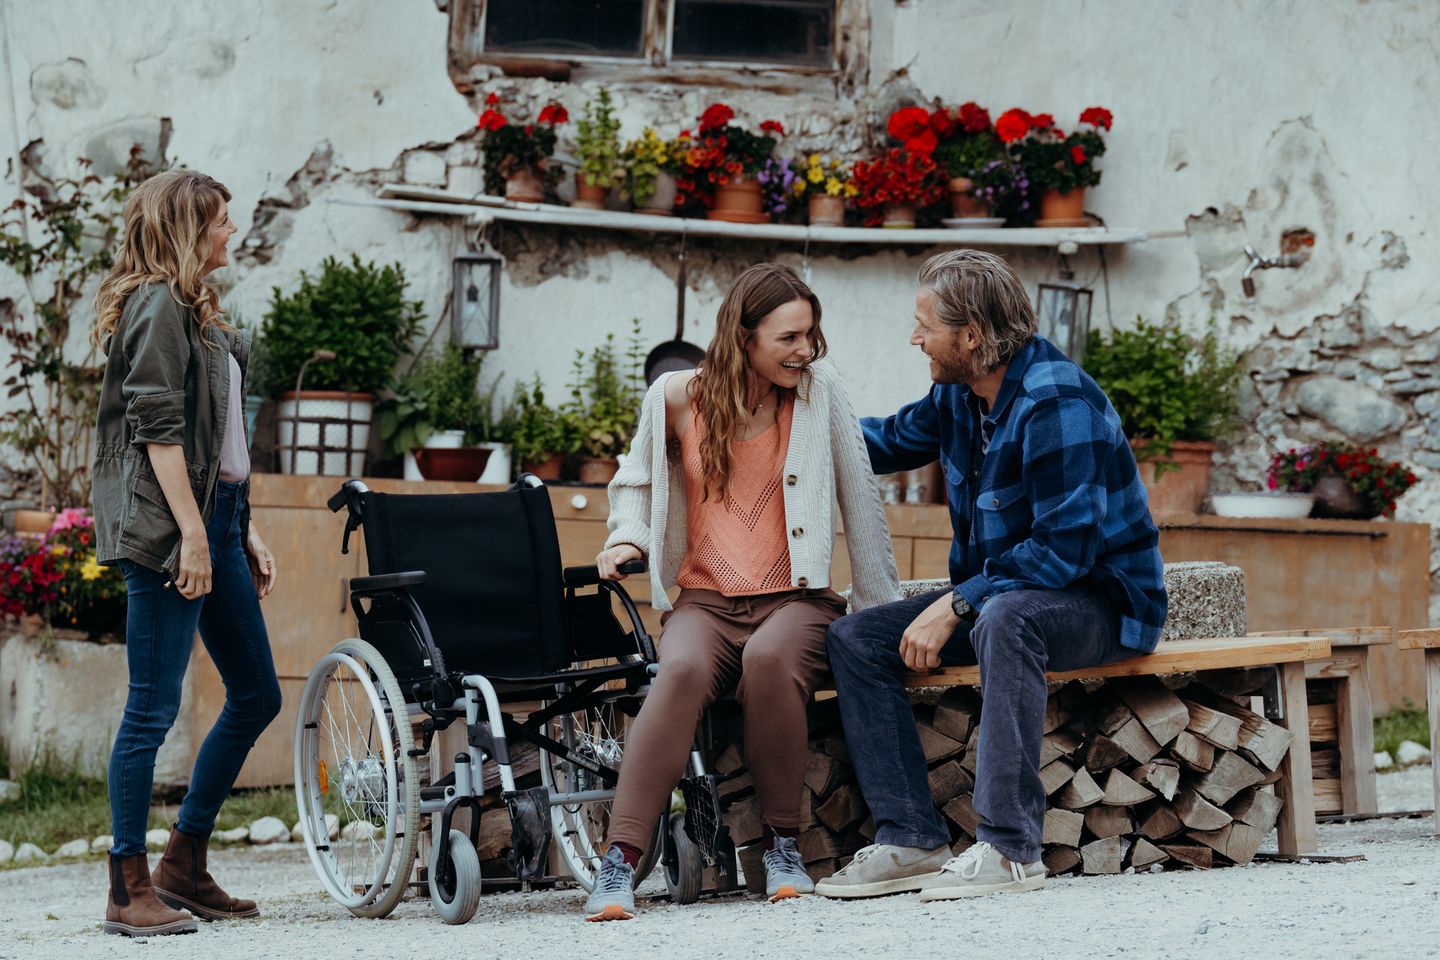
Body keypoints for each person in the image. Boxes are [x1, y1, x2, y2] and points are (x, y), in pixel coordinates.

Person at [816, 249, 1166, 902]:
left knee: (1005, 618)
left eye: (925, 326)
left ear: (970, 336)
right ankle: (912, 839)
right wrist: (781, 429)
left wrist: (957, 603)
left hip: (1101, 604)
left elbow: (1064, 552)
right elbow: (880, 442)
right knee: (857, 638)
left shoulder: (1057, 402)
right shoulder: (958, 394)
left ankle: (1010, 850)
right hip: (1006, 595)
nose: (913, 338)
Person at [582, 263, 900, 920]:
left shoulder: (820, 393)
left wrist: (880, 609)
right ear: (744, 335)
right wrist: (628, 538)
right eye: (788, 337)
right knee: (681, 670)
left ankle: (784, 847)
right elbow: (635, 482)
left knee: (768, 659)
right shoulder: (674, 397)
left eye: (809, 335)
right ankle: (618, 864)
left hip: (797, 600)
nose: (804, 350)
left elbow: (861, 500)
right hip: (705, 600)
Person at [90, 170, 281, 937]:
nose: (232, 232)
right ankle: (126, 884)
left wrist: (244, 526)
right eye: (222, 222)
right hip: (172, 530)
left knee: (257, 694)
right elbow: (158, 429)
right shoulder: (157, 305)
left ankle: (184, 864)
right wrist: (194, 536)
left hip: (217, 519)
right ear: (187, 228)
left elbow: (221, 444)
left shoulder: (197, 311)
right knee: (152, 707)